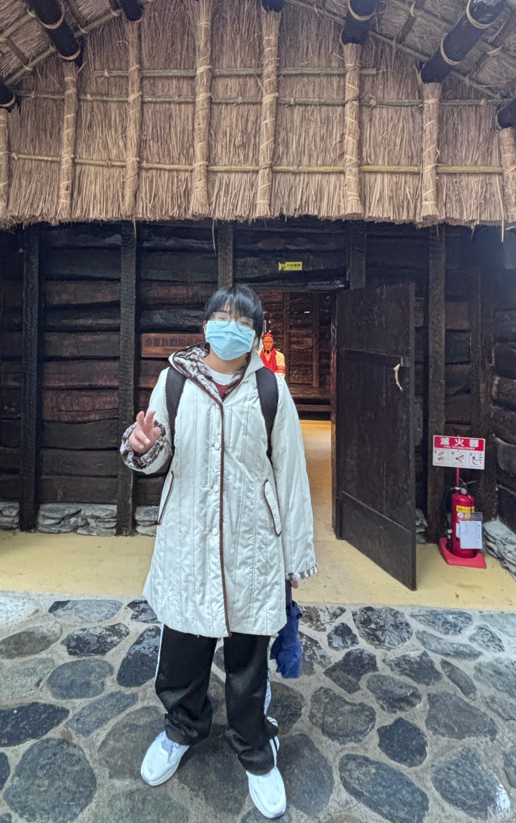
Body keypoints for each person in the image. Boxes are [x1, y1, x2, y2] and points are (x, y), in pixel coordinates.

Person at [120, 284, 316, 821]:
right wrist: (141, 447)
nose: (230, 328)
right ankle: (181, 728)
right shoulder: (174, 382)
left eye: (242, 321)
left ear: (256, 334)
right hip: (188, 539)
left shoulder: (271, 389)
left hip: (253, 547)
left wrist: (295, 555)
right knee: (182, 650)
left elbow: (291, 475)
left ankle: (255, 750)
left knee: (248, 663)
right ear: (205, 325)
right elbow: (153, 450)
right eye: (221, 317)